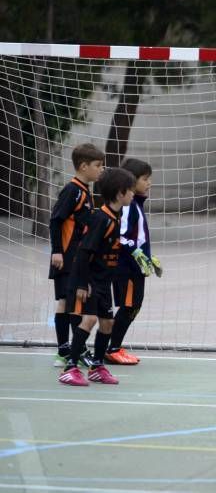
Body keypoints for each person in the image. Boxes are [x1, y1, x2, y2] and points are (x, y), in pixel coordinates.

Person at [58, 168, 136, 386]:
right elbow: (84, 253)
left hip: (104, 281)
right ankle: (70, 366)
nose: (133, 195)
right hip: (89, 280)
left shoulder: (116, 217)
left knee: (107, 323)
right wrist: (83, 283)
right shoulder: (100, 219)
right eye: (130, 191)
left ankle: (97, 366)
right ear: (120, 193)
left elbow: (111, 251)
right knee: (89, 319)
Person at [49, 143, 105, 368]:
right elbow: (55, 220)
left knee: (68, 302)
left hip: (77, 257)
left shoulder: (85, 190)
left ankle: (69, 349)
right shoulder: (72, 190)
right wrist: (57, 251)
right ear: (83, 166)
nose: (101, 169)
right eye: (98, 165)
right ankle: (69, 350)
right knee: (68, 302)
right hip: (66, 257)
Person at [106, 158, 163, 365]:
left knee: (133, 306)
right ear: (131, 182)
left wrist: (149, 257)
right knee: (130, 305)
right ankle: (111, 349)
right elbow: (121, 236)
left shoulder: (136, 204)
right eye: (145, 179)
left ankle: (114, 346)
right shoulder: (128, 206)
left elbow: (136, 236)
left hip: (136, 267)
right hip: (126, 268)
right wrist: (136, 253)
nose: (149, 183)